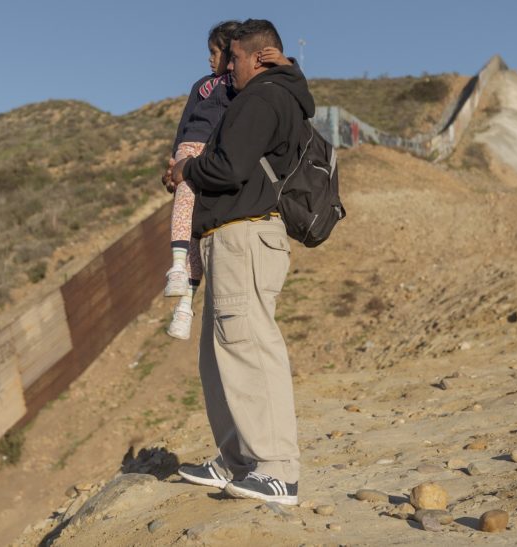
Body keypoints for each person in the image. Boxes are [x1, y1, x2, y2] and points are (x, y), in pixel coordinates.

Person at [167, 19, 314, 505]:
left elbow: (229, 166)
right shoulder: (272, 92)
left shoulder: (262, 98)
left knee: (250, 347)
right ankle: (236, 458)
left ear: (259, 57)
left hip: (244, 235)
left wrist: (187, 168)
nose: (226, 67)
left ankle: (277, 469)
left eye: (233, 58)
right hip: (229, 237)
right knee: (221, 354)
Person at [162, 21, 291, 340]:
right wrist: (175, 162)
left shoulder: (244, 90)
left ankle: (184, 285)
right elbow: (184, 125)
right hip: (191, 155)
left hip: (216, 166)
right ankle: (184, 297)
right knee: (188, 220)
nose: (212, 59)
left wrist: (286, 65)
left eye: (216, 53)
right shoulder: (202, 87)